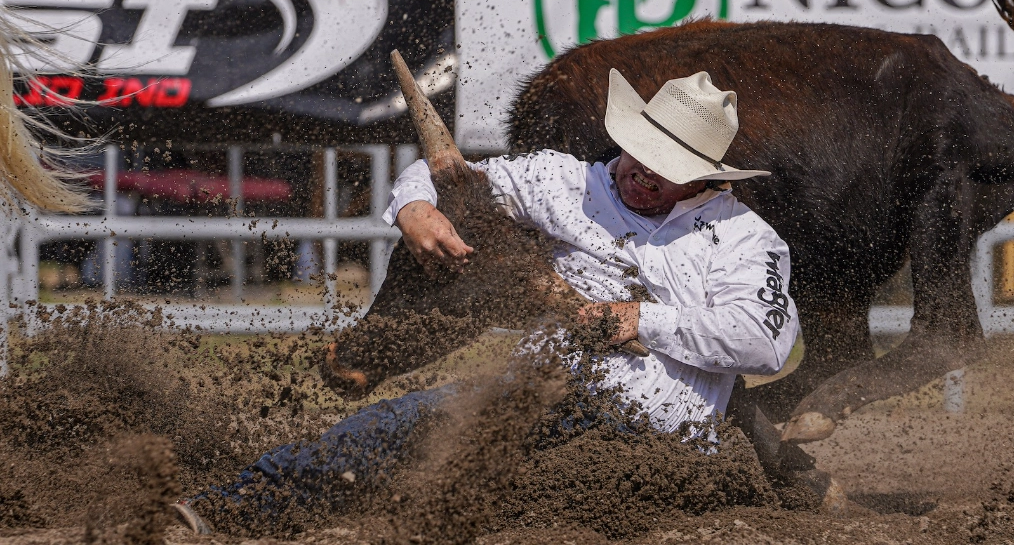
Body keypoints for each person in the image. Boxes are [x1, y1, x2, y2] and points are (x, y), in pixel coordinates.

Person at [173, 69, 800, 534]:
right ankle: (225, 511)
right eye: (641, 150)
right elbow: (460, 180)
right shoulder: (568, 181)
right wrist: (415, 207)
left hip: (654, 440)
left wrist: (640, 318)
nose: (643, 170)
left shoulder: (746, 239)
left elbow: (765, 341)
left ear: (704, 175)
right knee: (399, 429)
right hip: (534, 394)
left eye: (667, 165)